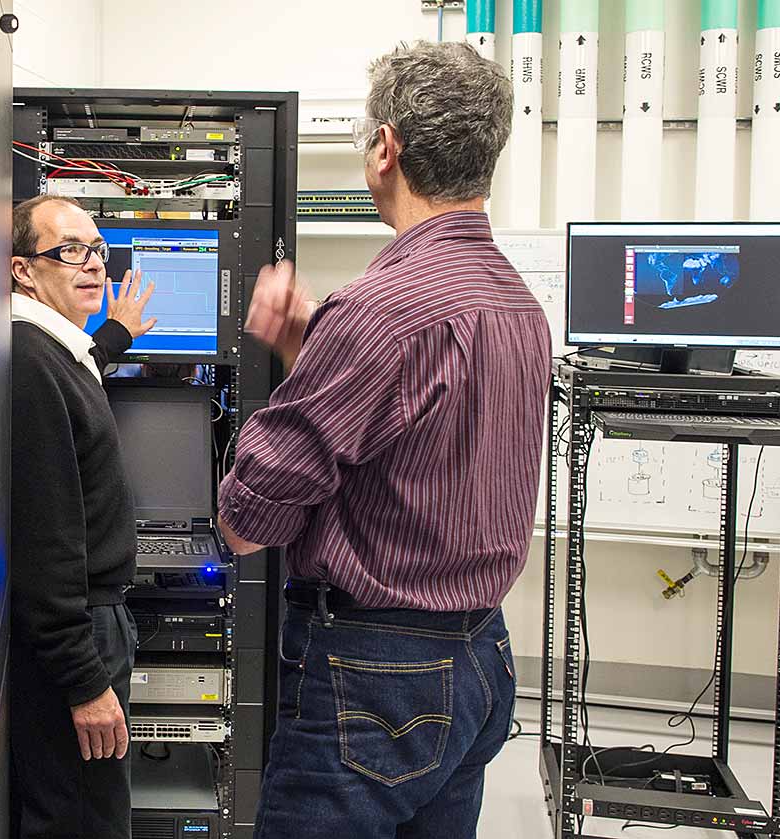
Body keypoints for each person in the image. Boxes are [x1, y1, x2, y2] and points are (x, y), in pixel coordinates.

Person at [217, 42, 549, 839]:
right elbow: (414, 450)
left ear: (386, 147)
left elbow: (247, 521)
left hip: (375, 679)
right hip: (479, 659)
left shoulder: (375, 310)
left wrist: (301, 377)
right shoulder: (518, 306)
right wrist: (309, 353)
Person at [8, 194, 157, 839]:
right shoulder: (31, 364)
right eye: (68, 251)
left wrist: (114, 335)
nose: (92, 264)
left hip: (91, 625)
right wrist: (84, 682)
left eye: (96, 249)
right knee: (82, 821)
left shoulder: (49, 351)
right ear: (22, 269)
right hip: (78, 633)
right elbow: (46, 542)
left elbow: (78, 366)